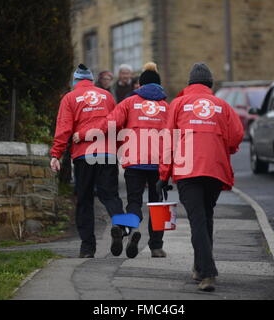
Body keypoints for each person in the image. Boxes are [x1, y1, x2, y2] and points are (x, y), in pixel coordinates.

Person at [157, 63, 244, 291]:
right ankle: (199, 267)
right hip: (215, 169)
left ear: (190, 84)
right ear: (210, 84)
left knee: (197, 220)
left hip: (188, 169)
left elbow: (168, 140)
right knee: (206, 217)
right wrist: (224, 148)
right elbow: (237, 135)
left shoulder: (178, 104)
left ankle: (208, 273)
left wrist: (163, 174)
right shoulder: (222, 105)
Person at [73, 62, 169, 259]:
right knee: (158, 204)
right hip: (160, 162)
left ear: (140, 85)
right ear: (159, 87)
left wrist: (83, 134)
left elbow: (109, 124)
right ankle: (156, 246)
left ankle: (131, 229)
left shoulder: (129, 103)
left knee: (134, 200)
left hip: (134, 160)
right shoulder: (167, 106)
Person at [50, 64, 126, 259]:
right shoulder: (107, 96)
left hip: (84, 155)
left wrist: (56, 154)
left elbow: (64, 128)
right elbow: (115, 122)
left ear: (75, 81)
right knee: (110, 196)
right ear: (91, 80)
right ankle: (118, 224)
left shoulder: (70, 98)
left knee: (84, 200)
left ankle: (87, 248)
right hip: (107, 153)